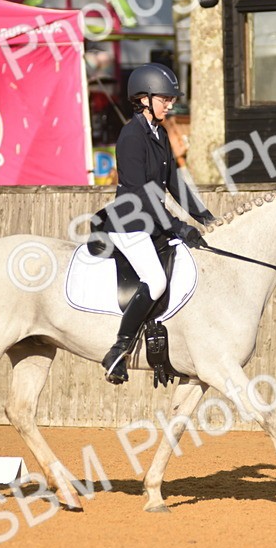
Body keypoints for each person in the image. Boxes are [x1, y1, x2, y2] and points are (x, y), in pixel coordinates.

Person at [91, 63, 216, 385]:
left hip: (153, 220)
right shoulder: (131, 136)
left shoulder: (159, 133)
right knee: (156, 281)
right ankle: (118, 350)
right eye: (165, 99)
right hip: (130, 222)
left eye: (171, 99)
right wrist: (177, 226)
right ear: (144, 98)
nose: (170, 104)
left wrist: (204, 216)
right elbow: (143, 192)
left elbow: (174, 182)